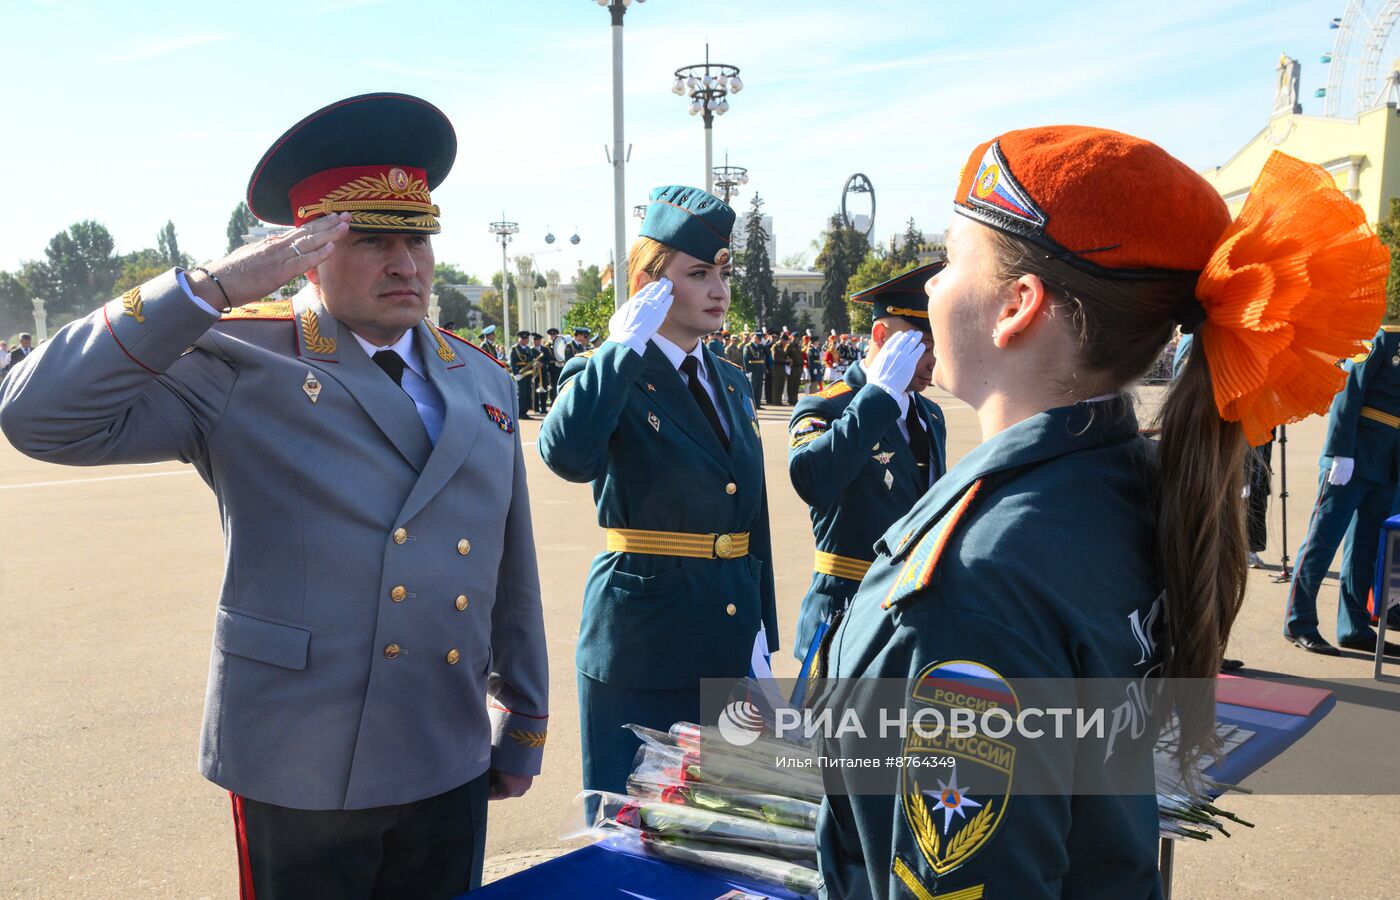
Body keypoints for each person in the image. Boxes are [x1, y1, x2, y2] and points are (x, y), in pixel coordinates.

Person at [0, 92, 549, 898]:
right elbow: (36, 414)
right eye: (371, 240)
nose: (407, 265)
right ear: (306, 251)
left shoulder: (484, 378)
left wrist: (526, 717)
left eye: (418, 239)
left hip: (444, 744)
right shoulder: (239, 361)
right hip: (302, 756)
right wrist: (212, 287)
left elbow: (512, 568)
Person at [814, 126, 1386, 898]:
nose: (930, 287)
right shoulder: (1131, 483)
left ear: (1017, 305)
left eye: (951, 259)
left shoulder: (969, 589)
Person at [537, 184, 779, 793]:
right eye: (699, 273)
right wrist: (620, 350)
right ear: (651, 283)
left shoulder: (731, 381)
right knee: (634, 830)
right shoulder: (607, 370)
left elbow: (749, 511)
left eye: (722, 273)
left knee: (724, 831)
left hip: (727, 632)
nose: (719, 290)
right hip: (643, 641)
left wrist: (760, 631)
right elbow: (566, 455)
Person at [787, 263, 947, 662]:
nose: (932, 361)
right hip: (845, 609)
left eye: (937, 346)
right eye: (921, 345)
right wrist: (878, 397)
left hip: (909, 614)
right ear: (881, 335)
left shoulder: (931, 414)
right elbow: (813, 480)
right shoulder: (826, 405)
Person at [1285, 323, 1400, 655]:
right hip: (1353, 455)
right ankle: (1299, 622)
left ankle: (1354, 626)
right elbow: (1348, 389)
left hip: (1388, 463)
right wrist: (1340, 451)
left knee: (1365, 549)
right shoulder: (1384, 335)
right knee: (1322, 542)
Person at [510, 329, 535, 419]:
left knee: (528, 392)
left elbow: (531, 360)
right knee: (521, 393)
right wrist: (516, 374)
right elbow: (512, 363)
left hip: (528, 373)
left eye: (526, 339)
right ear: (520, 339)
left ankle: (525, 411)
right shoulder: (514, 348)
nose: (525, 340)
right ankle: (520, 412)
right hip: (520, 373)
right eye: (523, 339)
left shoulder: (528, 349)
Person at [743, 330, 767, 405]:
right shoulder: (748, 346)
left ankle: (758, 403)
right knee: (753, 387)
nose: (759, 340)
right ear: (754, 338)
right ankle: (752, 404)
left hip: (760, 369)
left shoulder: (760, 347)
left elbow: (768, 353)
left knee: (759, 387)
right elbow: (745, 359)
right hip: (752, 369)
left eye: (760, 339)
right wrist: (747, 371)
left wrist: (765, 345)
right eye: (758, 338)